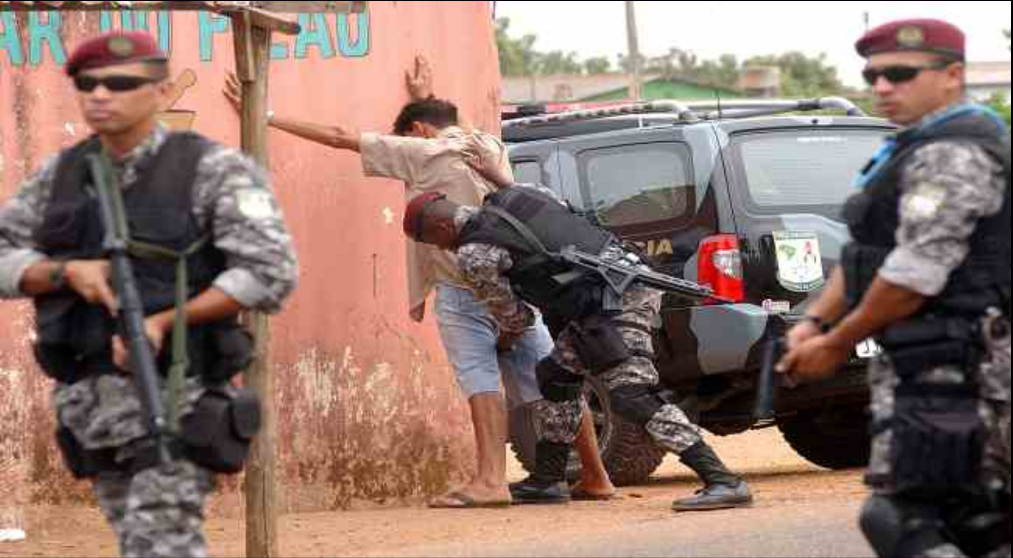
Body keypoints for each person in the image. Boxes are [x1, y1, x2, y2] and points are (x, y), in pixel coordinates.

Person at [223, 57, 614, 507]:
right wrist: (421, 98)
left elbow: (338, 137)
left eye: (407, 134)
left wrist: (264, 113)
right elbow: (450, 121)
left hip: (463, 290)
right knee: (556, 380)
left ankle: (490, 480)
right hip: (515, 290)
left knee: (479, 378)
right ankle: (596, 474)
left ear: (418, 133)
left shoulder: (422, 152)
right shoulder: (488, 145)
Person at [0, 31, 298, 558]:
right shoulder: (62, 176)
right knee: (141, 541)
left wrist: (166, 321)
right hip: (93, 407)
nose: (99, 94)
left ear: (161, 93)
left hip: (177, 399)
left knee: (160, 545)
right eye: (87, 83)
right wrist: (63, 272)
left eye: (119, 83)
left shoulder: (211, 170)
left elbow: (268, 270)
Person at [777, 19, 1010, 558]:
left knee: (905, 518)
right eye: (874, 75)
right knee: (977, 524)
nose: (882, 87)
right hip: (929, 361)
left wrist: (836, 343)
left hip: (966, 366)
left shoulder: (956, 151)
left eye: (900, 74)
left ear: (953, 75)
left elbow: (913, 273)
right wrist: (815, 320)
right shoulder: (912, 149)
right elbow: (866, 252)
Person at [400, 181, 754, 511]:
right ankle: (547, 480)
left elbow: (517, 320)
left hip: (616, 300)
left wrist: (502, 344)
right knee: (557, 376)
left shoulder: (475, 254)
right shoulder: (520, 193)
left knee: (631, 393)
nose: (439, 250)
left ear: (442, 230)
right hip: (612, 288)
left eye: (433, 243)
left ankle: (722, 478)